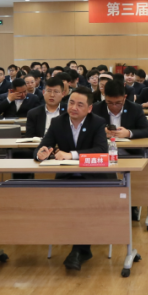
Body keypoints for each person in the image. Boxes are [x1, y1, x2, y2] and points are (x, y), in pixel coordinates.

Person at [35, 87, 109, 271]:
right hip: (67, 178)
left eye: (80, 104)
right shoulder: (58, 122)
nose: (74, 107)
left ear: (89, 108)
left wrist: (72, 155)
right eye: (71, 103)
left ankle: (79, 250)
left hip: (93, 179)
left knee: (82, 203)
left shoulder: (97, 122)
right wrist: (40, 153)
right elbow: (43, 145)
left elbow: (101, 150)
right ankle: (80, 249)